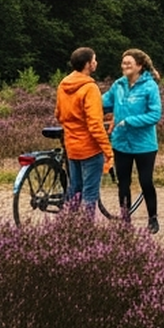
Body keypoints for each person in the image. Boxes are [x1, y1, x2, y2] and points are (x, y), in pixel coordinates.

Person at [103, 48, 164, 233]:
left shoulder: (149, 86)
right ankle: (125, 220)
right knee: (123, 183)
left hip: (144, 144)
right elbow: (103, 102)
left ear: (139, 66)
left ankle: (153, 219)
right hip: (121, 143)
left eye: (129, 63)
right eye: (123, 63)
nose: (125, 66)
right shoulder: (118, 85)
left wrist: (128, 121)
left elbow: (155, 114)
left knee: (146, 181)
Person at [55, 47, 112, 213]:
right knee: (90, 192)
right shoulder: (90, 88)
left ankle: (69, 225)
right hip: (89, 148)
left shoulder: (63, 85)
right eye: (94, 60)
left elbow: (58, 114)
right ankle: (87, 230)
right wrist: (107, 150)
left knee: (75, 189)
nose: (96, 62)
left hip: (72, 146)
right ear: (88, 64)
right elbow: (95, 124)